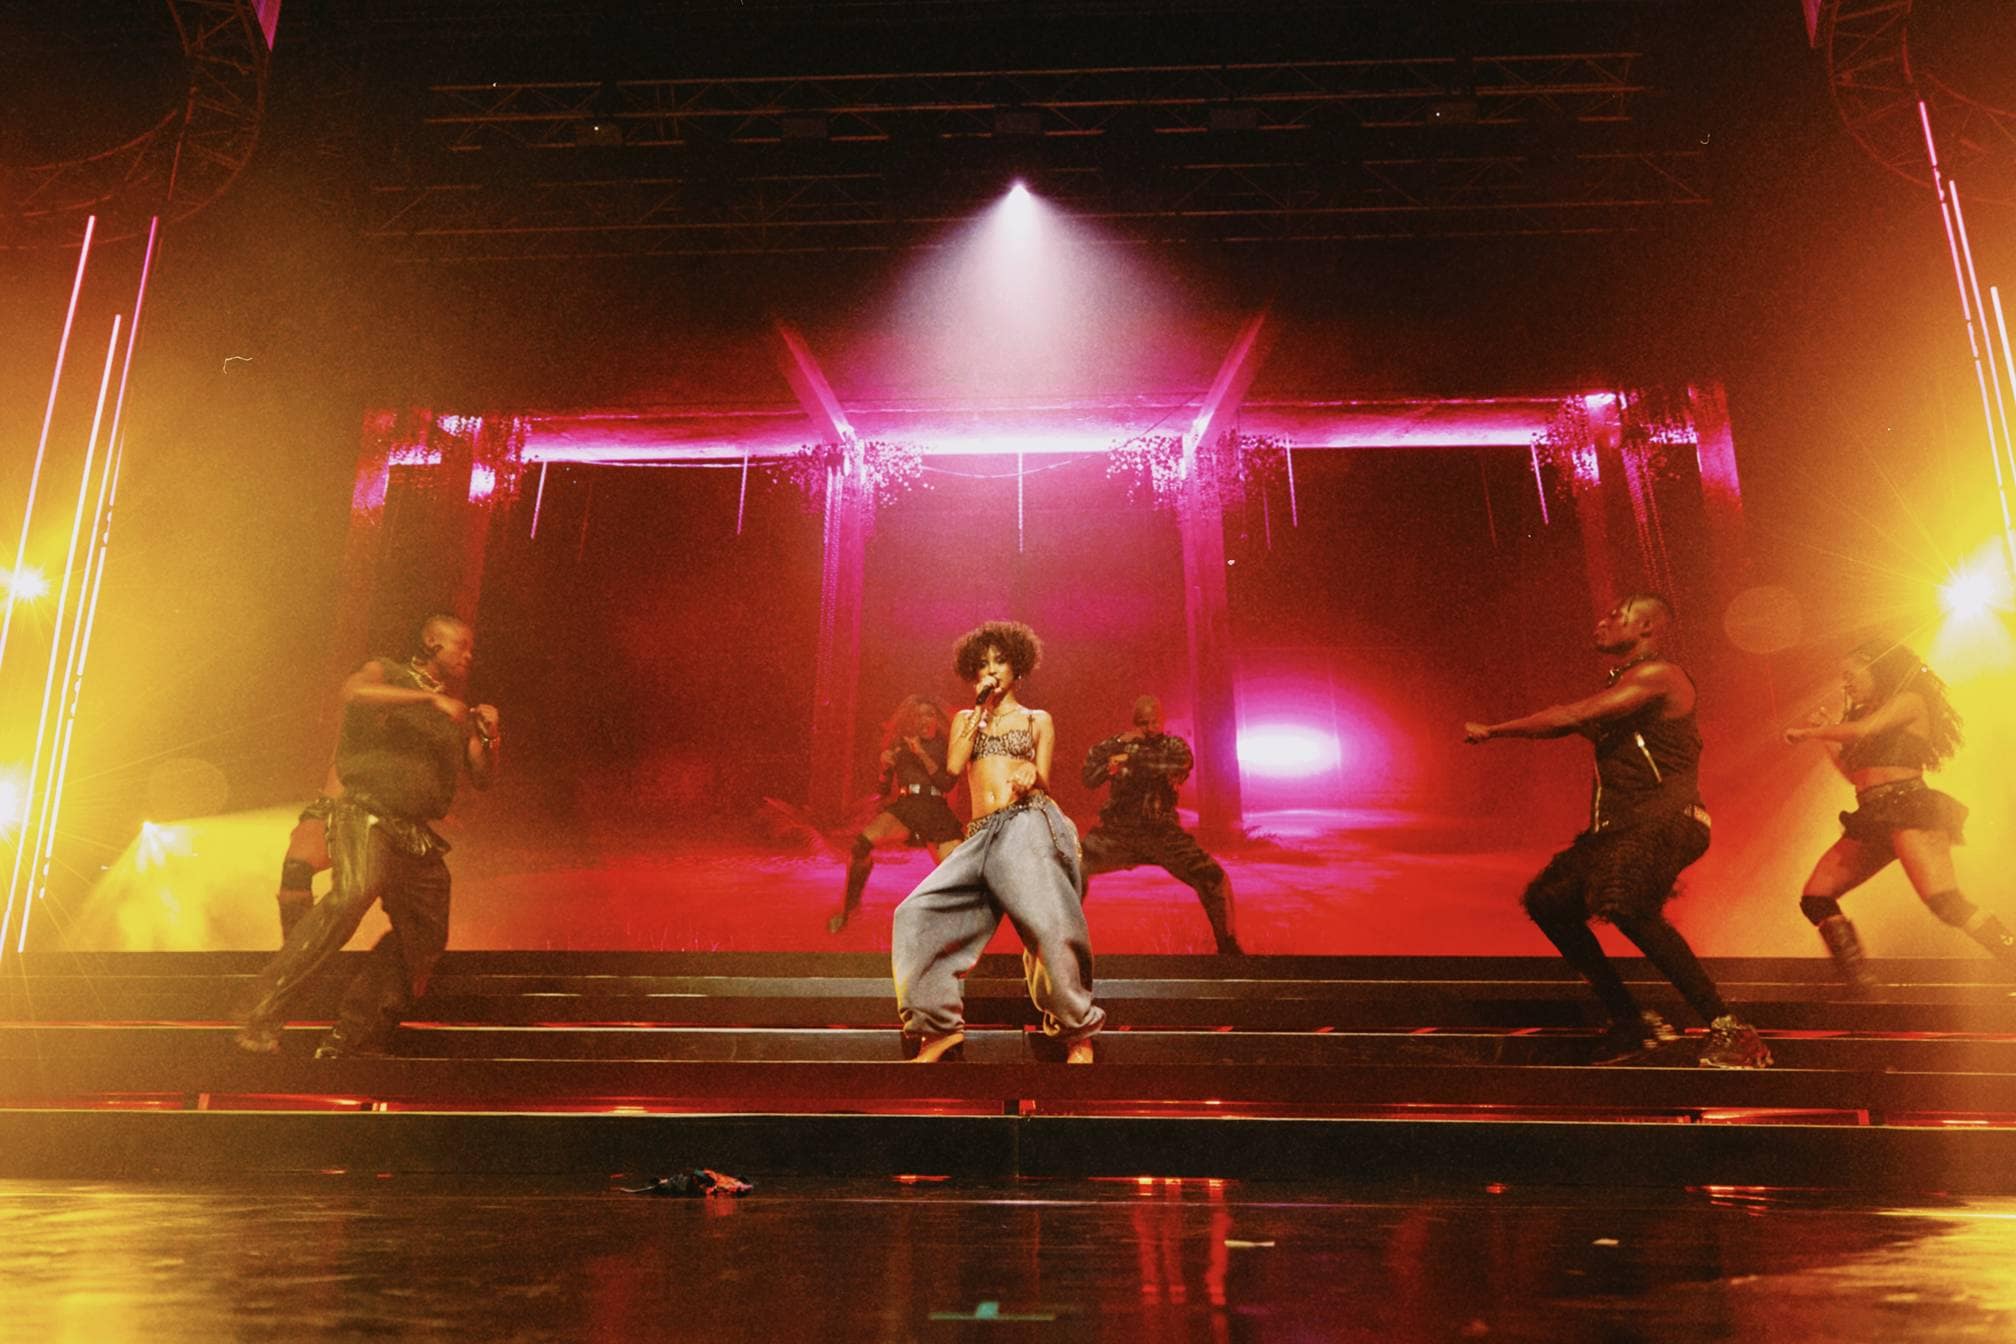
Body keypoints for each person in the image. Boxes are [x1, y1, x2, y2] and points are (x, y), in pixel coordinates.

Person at [1463, 593, 1770, 1068]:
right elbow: (1571, 721)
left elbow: (1571, 716)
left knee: (1627, 904)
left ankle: (1732, 1029)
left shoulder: (1659, 675)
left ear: (1646, 627)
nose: (1601, 622)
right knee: (1549, 901)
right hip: (1622, 829)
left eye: (1616, 616)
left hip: (1667, 819)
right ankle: (1631, 1022)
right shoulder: (1627, 692)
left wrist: (1495, 729)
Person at [235, 614, 499, 1058]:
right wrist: (429, 700)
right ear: (432, 641)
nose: (469, 655)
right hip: (365, 812)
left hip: (415, 832)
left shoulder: (456, 711)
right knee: (354, 891)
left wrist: (489, 737)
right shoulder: (388, 672)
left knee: (425, 935)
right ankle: (260, 1011)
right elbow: (354, 692)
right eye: (462, 645)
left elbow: (483, 777)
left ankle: (352, 1038)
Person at [891, 620, 1103, 1063]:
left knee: (1050, 925)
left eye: (1000, 661)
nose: (991, 670)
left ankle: (1076, 1031)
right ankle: (938, 1028)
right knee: (916, 913)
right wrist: (978, 710)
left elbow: (1044, 777)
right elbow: (953, 769)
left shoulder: (1037, 719)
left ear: (1017, 667)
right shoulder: (966, 720)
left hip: (1026, 823)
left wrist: (1031, 773)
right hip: (980, 834)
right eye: (983, 664)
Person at [1784, 637, 2008, 988]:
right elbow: (1854, 774)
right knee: (1816, 897)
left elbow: (1863, 730)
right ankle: (1860, 983)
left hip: (1910, 809)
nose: (1845, 683)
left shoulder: (1908, 701)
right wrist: (1826, 738)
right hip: (1872, 815)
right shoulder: (1859, 715)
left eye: (1851, 674)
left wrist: (1813, 731)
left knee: (1945, 902)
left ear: (1876, 668)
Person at [1080, 695, 1242, 954]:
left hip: (1162, 834)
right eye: (1143, 723)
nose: (1150, 728)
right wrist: (1116, 746)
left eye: (1154, 722)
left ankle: (1229, 949)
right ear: (1134, 723)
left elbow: (1179, 762)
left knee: (1213, 878)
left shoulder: (1172, 745)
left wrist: (1129, 756)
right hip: (1118, 833)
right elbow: (1088, 777)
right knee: (1071, 869)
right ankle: (1062, 943)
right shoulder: (1120, 746)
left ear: (1162, 722)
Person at [828, 695, 964, 933]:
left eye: (929, 715)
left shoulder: (946, 745)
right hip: (906, 808)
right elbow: (882, 790)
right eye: (918, 715)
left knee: (957, 871)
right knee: (861, 845)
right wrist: (884, 768)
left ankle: (953, 927)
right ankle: (850, 909)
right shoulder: (900, 745)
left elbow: (946, 784)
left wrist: (921, 753)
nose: (924, 720)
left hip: (935, 811)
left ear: (937, 719)